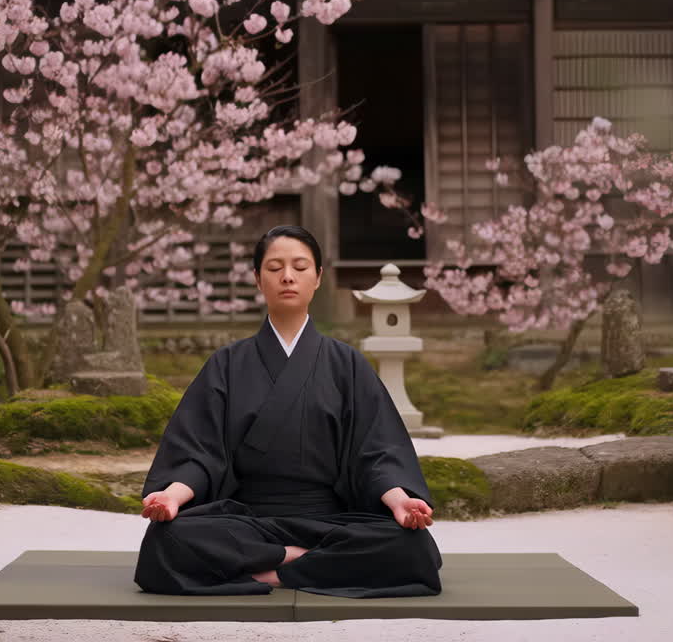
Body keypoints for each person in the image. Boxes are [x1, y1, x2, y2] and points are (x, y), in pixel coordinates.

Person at [133, 225, 443, 598]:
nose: (287, 276)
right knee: (166, 539)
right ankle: (305, 562)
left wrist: (399, 500)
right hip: (248, 519)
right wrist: (172, 496)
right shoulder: (227, 363)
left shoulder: (346, 363)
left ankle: (274, 571)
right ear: (258, 280)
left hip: (328, 519)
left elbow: (374, 454)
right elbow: (201, 452)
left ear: (318, 278)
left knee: (413, 545)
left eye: (300, 266)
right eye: (274, 267)